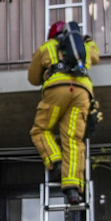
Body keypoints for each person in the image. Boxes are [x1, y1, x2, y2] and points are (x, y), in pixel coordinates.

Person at [27, 20, 100, 204]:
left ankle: (55, 161)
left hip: (57, 90)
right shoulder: (84, 46)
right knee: (73, 140)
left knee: (40, 130)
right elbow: (96, 57)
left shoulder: (46, 47)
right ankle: (72, 188)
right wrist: (89, 42)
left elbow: (33, 79)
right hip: (82, 91)